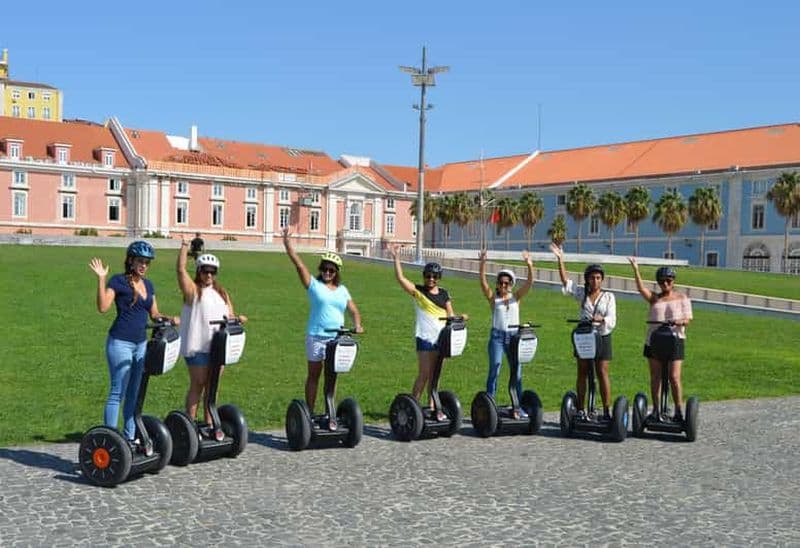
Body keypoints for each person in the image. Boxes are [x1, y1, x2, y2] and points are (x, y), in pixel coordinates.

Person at [89, 241, 176, 448]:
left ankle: (129, 439)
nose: (144, 265)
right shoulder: (118, 281)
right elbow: (103, 307)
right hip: (120, 343)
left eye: (147, 262)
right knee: (117, 392)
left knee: (134, 393)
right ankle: (110, 440)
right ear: (130, 261)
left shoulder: (149, 285)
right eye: (140, 261)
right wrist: (101, 279)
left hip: (141, 344)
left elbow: (154, 314)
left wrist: (169, 319)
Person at [282, 229, 363, 427]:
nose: (327, 273)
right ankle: (309, 414)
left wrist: (358, 325)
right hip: (316, 337)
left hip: (336, 339)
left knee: (332, 376)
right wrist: (288, 245)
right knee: (314, 375)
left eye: (331, 270)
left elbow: (354, 310)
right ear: (321, 269)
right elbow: (300, 266)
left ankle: (330, 412)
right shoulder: (314, 286)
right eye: (325, 269)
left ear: (336, 272)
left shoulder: (342, 290)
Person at [389, 243, 468, 421]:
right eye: (428, 276)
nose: (431, 279)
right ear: (424, 276)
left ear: (439, 278)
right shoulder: (419, 292)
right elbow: (401, 279)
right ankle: (413, 407)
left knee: (435, 375)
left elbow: (450, 314)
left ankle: (432, 407)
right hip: (424, 338)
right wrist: (396, 258)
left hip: (441, 339)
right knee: (424, 374)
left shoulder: (444, 294)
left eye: (434, 276)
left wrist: (461, 317)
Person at [177, 237, 245, 430]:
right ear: (199, 271)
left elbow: (229, 315)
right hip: (197, 346)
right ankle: (190, 426)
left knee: (212, 386)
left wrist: (238, 319)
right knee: (198, 384)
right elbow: (181, 271)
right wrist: (184, 246)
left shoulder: (221, 293)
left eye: (212, 271)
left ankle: (209, 423)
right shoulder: (193, 291)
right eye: (205, 271)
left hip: (218, 346)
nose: (208, 275)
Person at [551, 243, 617, 420]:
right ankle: (580, 409)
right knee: (582, 371)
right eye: (592, 278)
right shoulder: (582, 294)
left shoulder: (608, 297)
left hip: (602, 336)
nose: (595, 281)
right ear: (587, 279)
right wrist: (560, 259)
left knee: (601, 372)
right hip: (584, 337)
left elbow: (612, 318)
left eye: (598, 278)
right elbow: (566, 282)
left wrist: (602, 319)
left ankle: (606, 410)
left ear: (602, 280)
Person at [629, 258, 693, 422]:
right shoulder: (654, 298)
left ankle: (678, 411)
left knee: (674, 377)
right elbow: (640, 288)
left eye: (668, 281)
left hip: (675, 340)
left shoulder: (682, 297)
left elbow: (688, 319)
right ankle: (656, 410)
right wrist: (636, 269)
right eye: (661, 281)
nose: (665, 284)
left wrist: (680, 321)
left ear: (673, 281)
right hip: (654, 341)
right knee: (655, 376)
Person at [478, 249, 535, 417]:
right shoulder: (493, 298)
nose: (503, 286)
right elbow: (483, 283)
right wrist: (483, 264)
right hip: (497, 337)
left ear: (511, 284)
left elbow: (529, 283)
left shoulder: (516, 297)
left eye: (507, 283)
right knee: (495, 368)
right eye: (501, 283)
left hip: (514, 338)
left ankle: (518, 405)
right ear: (497, 284)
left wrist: (529, 265)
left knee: (517, 372)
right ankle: (490, 404)